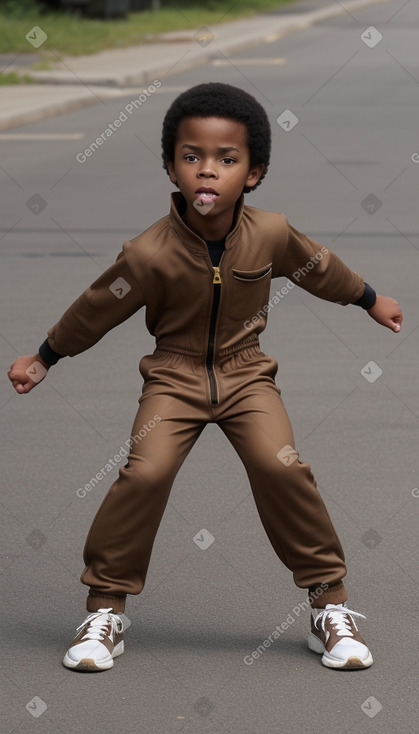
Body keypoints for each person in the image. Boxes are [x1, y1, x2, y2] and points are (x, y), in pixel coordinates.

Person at [8, 83, 402, 673]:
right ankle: (104, 610)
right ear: (170, 166)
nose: (207, 172)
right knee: (145, 473)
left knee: (282, 466)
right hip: (174, 377)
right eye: (191, 157)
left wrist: (369, 298)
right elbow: (98, 307)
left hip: (247, 378)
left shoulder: (270, 232)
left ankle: (329, 607)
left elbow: (317, 265)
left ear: (254, 172)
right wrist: (45, 355)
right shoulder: (147, 254)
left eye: (227, 159)